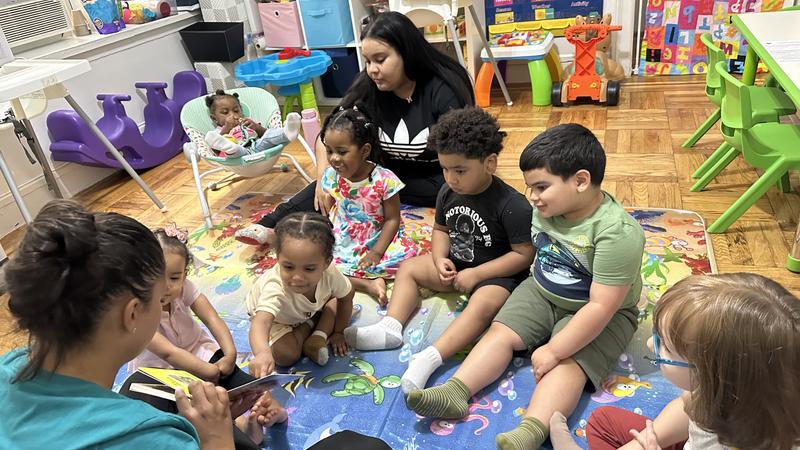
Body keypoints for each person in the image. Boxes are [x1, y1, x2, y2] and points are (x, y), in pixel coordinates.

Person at [405, 124, 646, 450]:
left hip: (602, 312)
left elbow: (602, 305)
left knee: (567, 364)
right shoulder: (546, 208)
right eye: (529, 187)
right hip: (542, 289)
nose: (532, 196)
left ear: (580, 181)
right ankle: (456, 391)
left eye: (541, 187)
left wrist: (554, 349)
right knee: (500, 333)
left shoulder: (617, 233)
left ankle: (532, 429)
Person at [0, 200, 254, 449]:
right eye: (157, 297)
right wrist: (215, 439)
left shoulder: (7, 367)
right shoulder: (154, 437)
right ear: (132, 313)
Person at [235, 11, 474, 246]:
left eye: (380, 60)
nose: (372, 69)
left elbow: (463, 156)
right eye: (368, 61)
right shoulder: (369, 86)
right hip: (382, 174)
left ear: (407, 54)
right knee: (340, 179)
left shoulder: (442, 90)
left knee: (462, 194)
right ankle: (269, 225)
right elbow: (327, 135)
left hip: (435, 178)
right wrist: (323, 179)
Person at [344, 107, 534, 394]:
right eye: (445, 169)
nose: (451, 178)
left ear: (490, 163)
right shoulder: (448, 191)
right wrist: (439, 258)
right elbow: (441, 229)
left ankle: (431, 357)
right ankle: (391, 327)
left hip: (497, 275)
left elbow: (523, 255)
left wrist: (478, 274)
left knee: (483, 305)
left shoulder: (513, 205)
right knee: (409, 268)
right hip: (456, 264)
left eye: (460, 170)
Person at [549, 273, 800, 450]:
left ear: (709, 373)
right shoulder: (744, 382)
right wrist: (642, 442)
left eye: (664, 346)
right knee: (603, 422)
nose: (650, 344)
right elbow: (688, 407)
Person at [117, 224, 286, 446]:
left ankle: (266, 412)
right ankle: (237, 427)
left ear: (185, 275)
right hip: (160, 371)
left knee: (248, 386)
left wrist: (229, 353)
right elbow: (168, 353)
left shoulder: (185, 288)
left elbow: (212, 319)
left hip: (200, 351)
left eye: (174, 278)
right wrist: (207, 371)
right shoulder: (139, 309)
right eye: (156, 278)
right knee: (173, 413)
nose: (165, 287)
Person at [318, 106, 418, 304]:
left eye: (342, 151)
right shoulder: (330, 175)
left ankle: (365, 276)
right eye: (329, 151)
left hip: (378, 234)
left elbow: (392, 219)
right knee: (320, 267)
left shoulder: (384, 180)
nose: (334, 158)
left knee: (408, 261)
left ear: (364, 150)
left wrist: (377, 252)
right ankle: (369, 284)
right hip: (344, 235)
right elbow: (329, 210)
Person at [247, 212, 356, 377]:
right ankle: (312, 325)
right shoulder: (275, 287)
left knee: (340, 299)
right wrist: (262, 353)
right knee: (286, 356)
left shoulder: (330, 274)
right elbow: (261, 322)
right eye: (288, 267)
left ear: (326, 263)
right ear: (278, 258)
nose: (297, 278)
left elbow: (346, 297)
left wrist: (339, 332)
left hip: (307, 309)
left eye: (309, 269)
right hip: (277, 320)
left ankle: (317, 333)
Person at [203, 89, 301, 159]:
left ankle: (286, 132)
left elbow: (265, 133)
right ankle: (230, 147)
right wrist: (226, 129)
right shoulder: (217, 133)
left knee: (268, 137)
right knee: (233, 149)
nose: (233, 115)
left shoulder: (247, 123)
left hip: (257, 148)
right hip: (237, 156)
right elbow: (215, 151)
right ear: (214, 118)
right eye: (225, 113)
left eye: (236, 111)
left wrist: (257, 127)